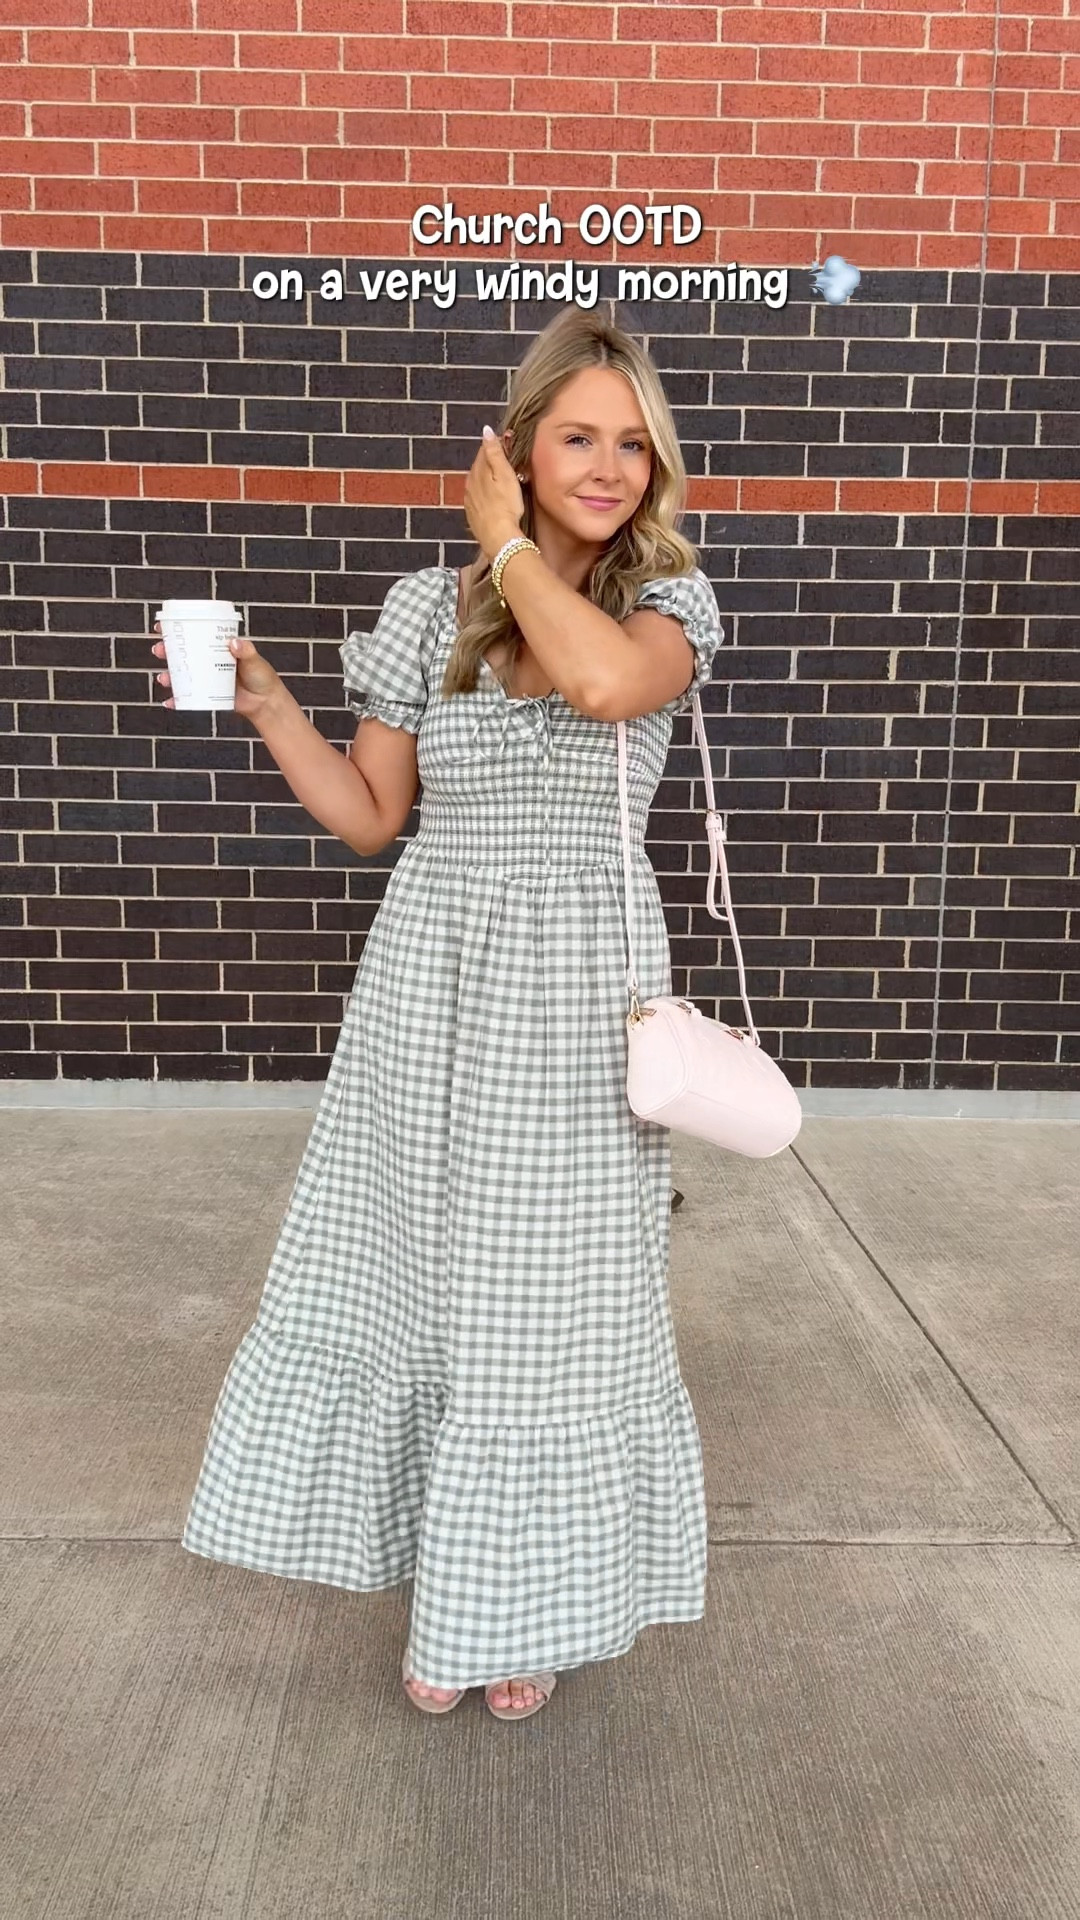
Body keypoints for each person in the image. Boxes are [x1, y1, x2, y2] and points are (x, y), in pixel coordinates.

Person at [162, 306, 725, 1723]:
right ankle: (449, 1584)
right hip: (429, 988)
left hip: (580, 997)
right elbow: (372, 821)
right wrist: (274, 703)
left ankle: (522, 1608)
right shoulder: (428, 610)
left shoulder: (668, 605)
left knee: (551, 1315)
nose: (605, 466)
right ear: (523, 443)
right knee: (419, 1287)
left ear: (656, 468)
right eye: (577, 435)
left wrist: (514, 548)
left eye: (630, 444)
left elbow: (599, 683)